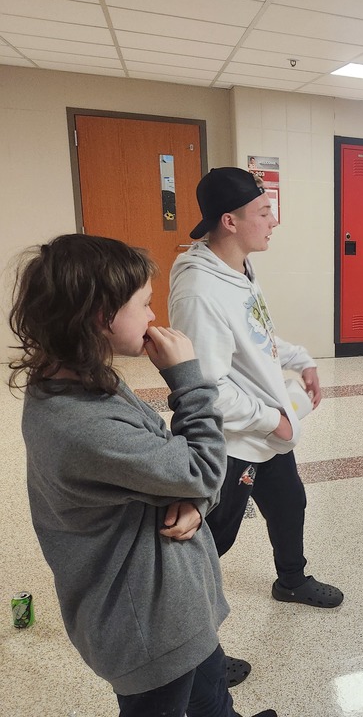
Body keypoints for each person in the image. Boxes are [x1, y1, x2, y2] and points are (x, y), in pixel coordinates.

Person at [8, 234, 276, 717]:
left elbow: (177, 467)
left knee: (212, 696)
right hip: (149, 630)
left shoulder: (85, 380)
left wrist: (195, 499)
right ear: (100, 317)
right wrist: (190, 379)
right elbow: (202, 467)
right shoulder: (81, 424)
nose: (154, 317)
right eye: (144, 304)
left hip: (177, 610)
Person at [169, 167, 342, 685]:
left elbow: (258, 334)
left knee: (290, 504)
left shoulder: (238, 266)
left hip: (267, 433)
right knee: (208, 545)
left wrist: (299, 358)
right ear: (230, 220)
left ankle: (290, 580)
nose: (275, 221)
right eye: (264, 212)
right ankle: (197, 651)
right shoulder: (199, 291)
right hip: (232, 442)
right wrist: (274, 420)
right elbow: (206, 388)